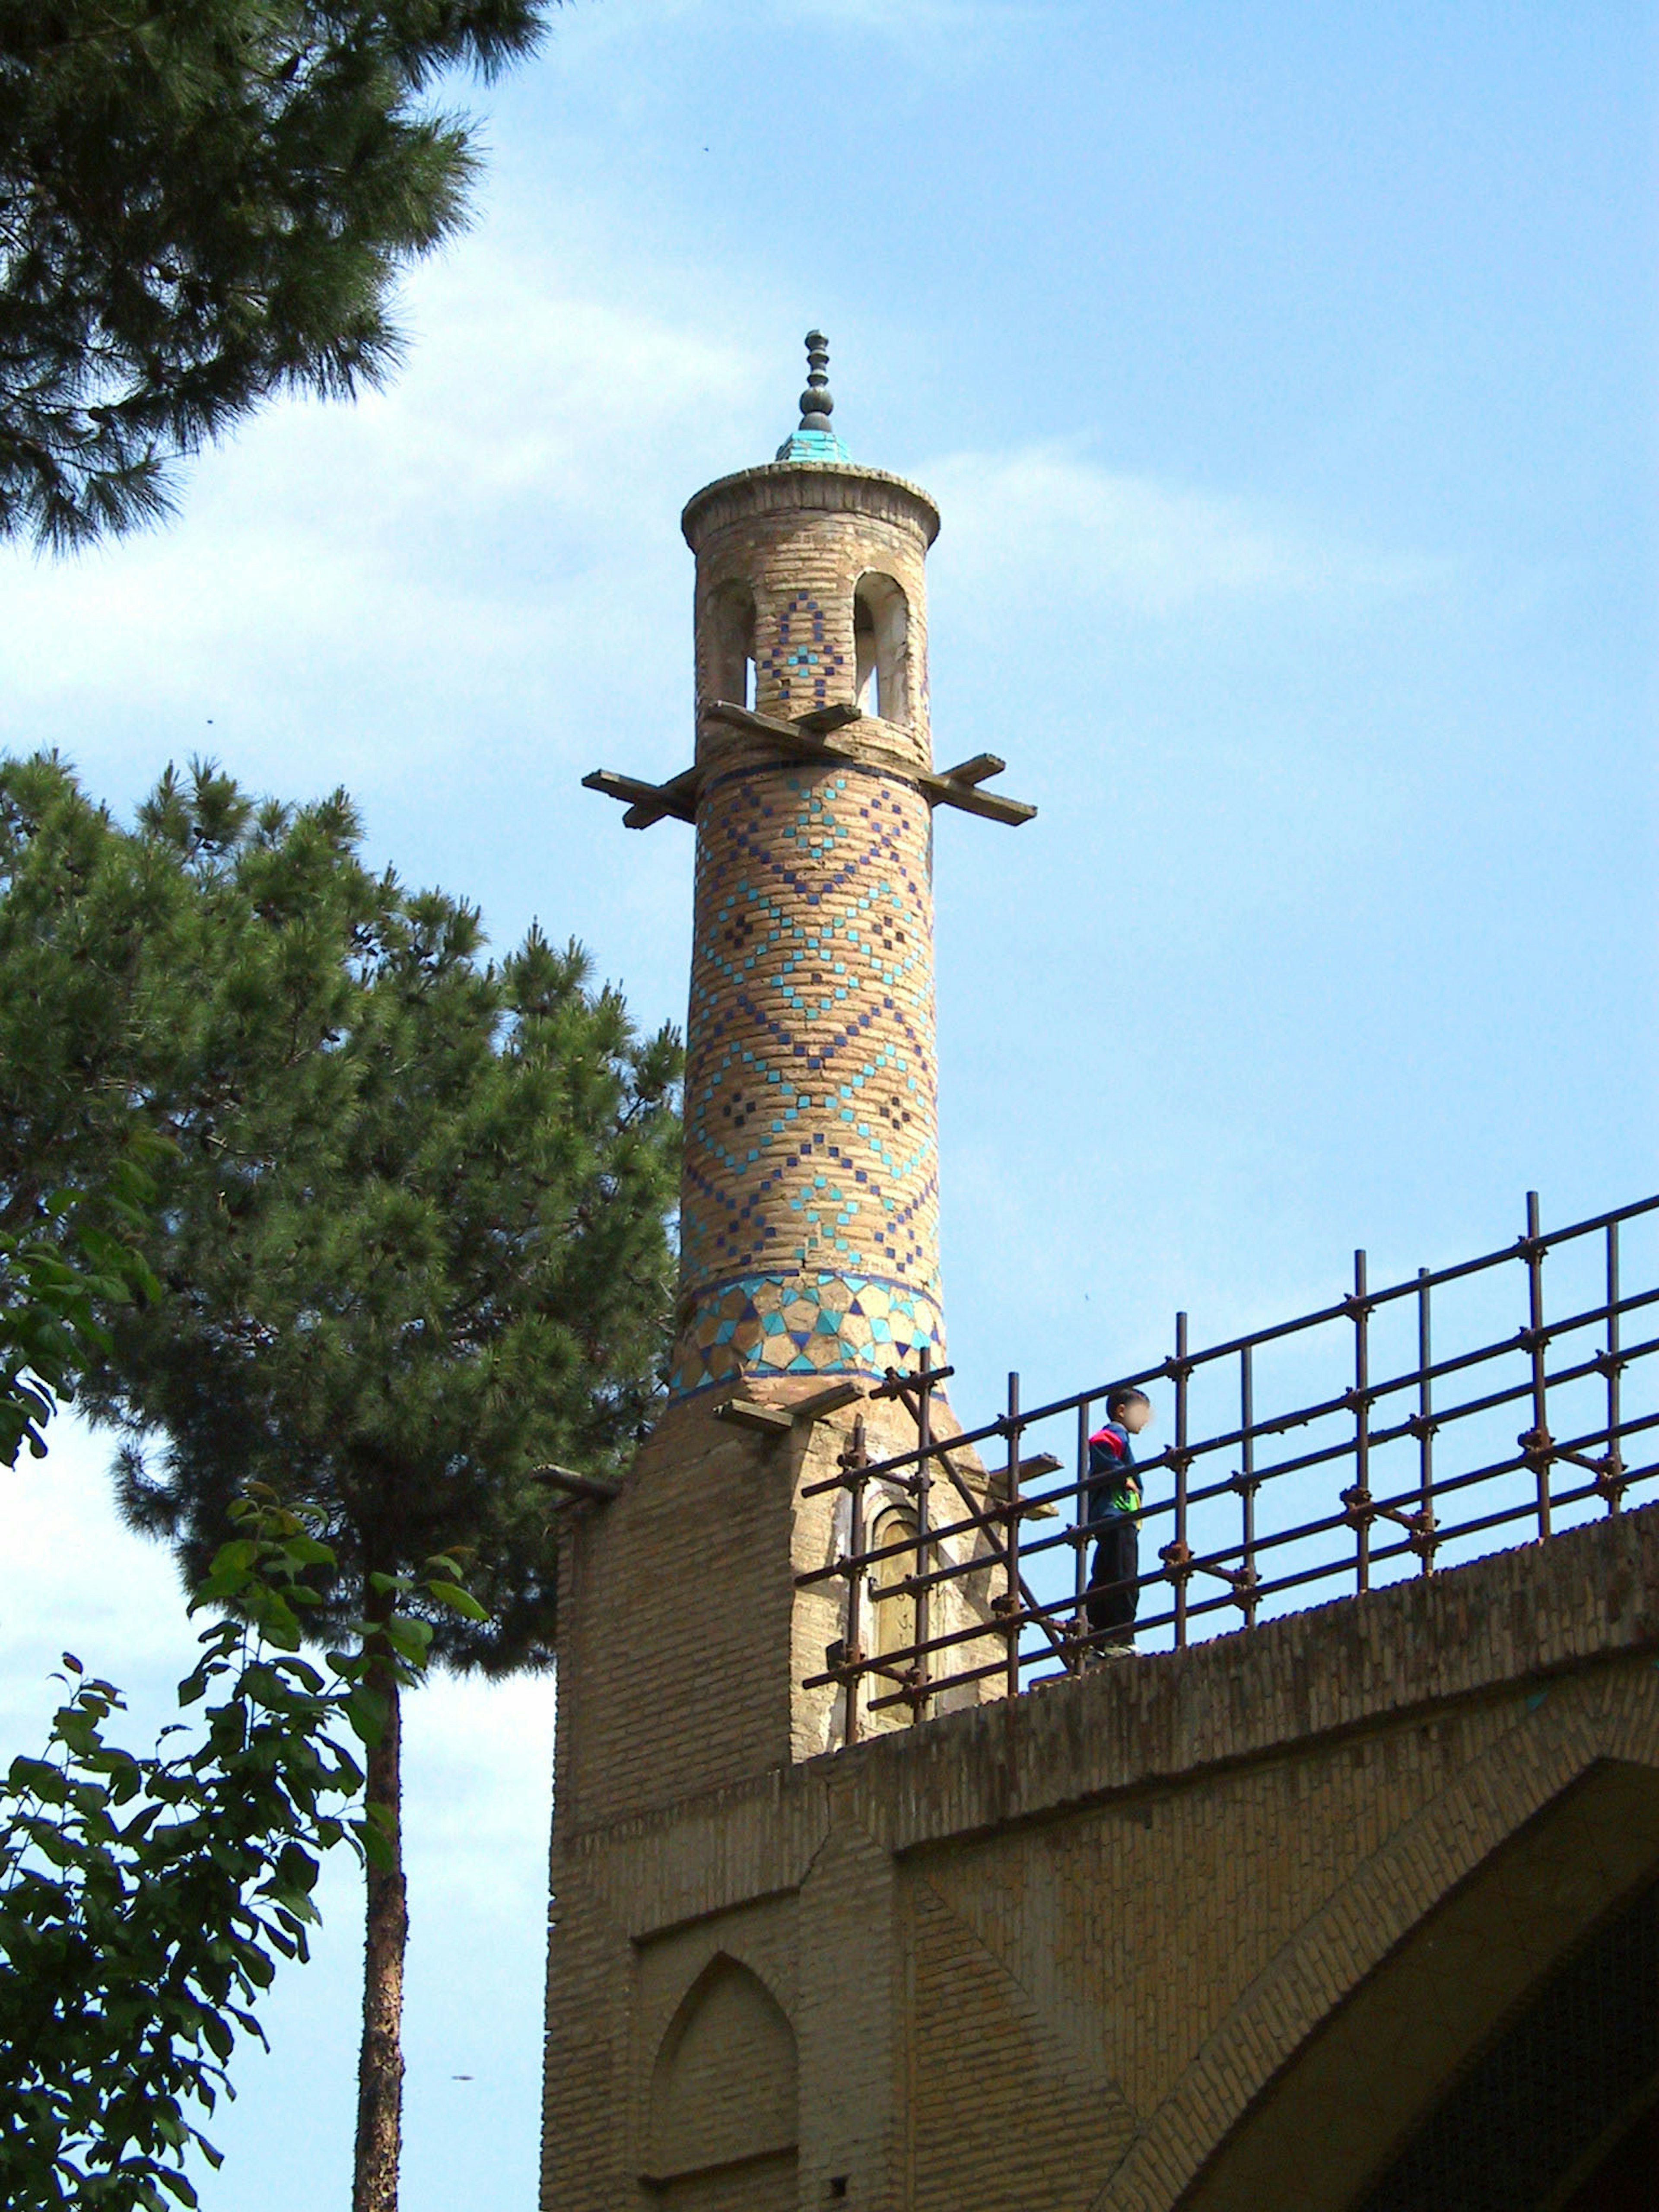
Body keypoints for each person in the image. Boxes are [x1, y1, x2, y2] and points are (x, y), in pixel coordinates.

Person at [1083, 1386, 1156, 1660]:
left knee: (1105, 1575)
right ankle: (1119, 1638)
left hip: (1111, 1516)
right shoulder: (1115, 1434)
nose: (1146, 1420)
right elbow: (1099, 1442)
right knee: (1123, 1576)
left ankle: (1097, 1638)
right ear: (1122, 1411)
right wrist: (1122, 1475)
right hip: (1118, 1515)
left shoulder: (1121, 1438)